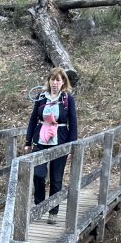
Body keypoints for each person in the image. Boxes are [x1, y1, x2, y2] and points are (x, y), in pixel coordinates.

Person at [24, 67, 79, 224]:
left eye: (58, 80)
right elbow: (33, 119)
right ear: (49, 81)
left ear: (63, 82)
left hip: (59, 141)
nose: (55, 82)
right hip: (40, 140)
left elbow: (73, 123)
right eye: (53, 79)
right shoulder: (41, 97)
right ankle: (40, 205)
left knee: (56, 179)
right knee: (38, 174)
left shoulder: (67, 99)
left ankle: (53, 211)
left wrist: (71, 145)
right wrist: (28, 141)